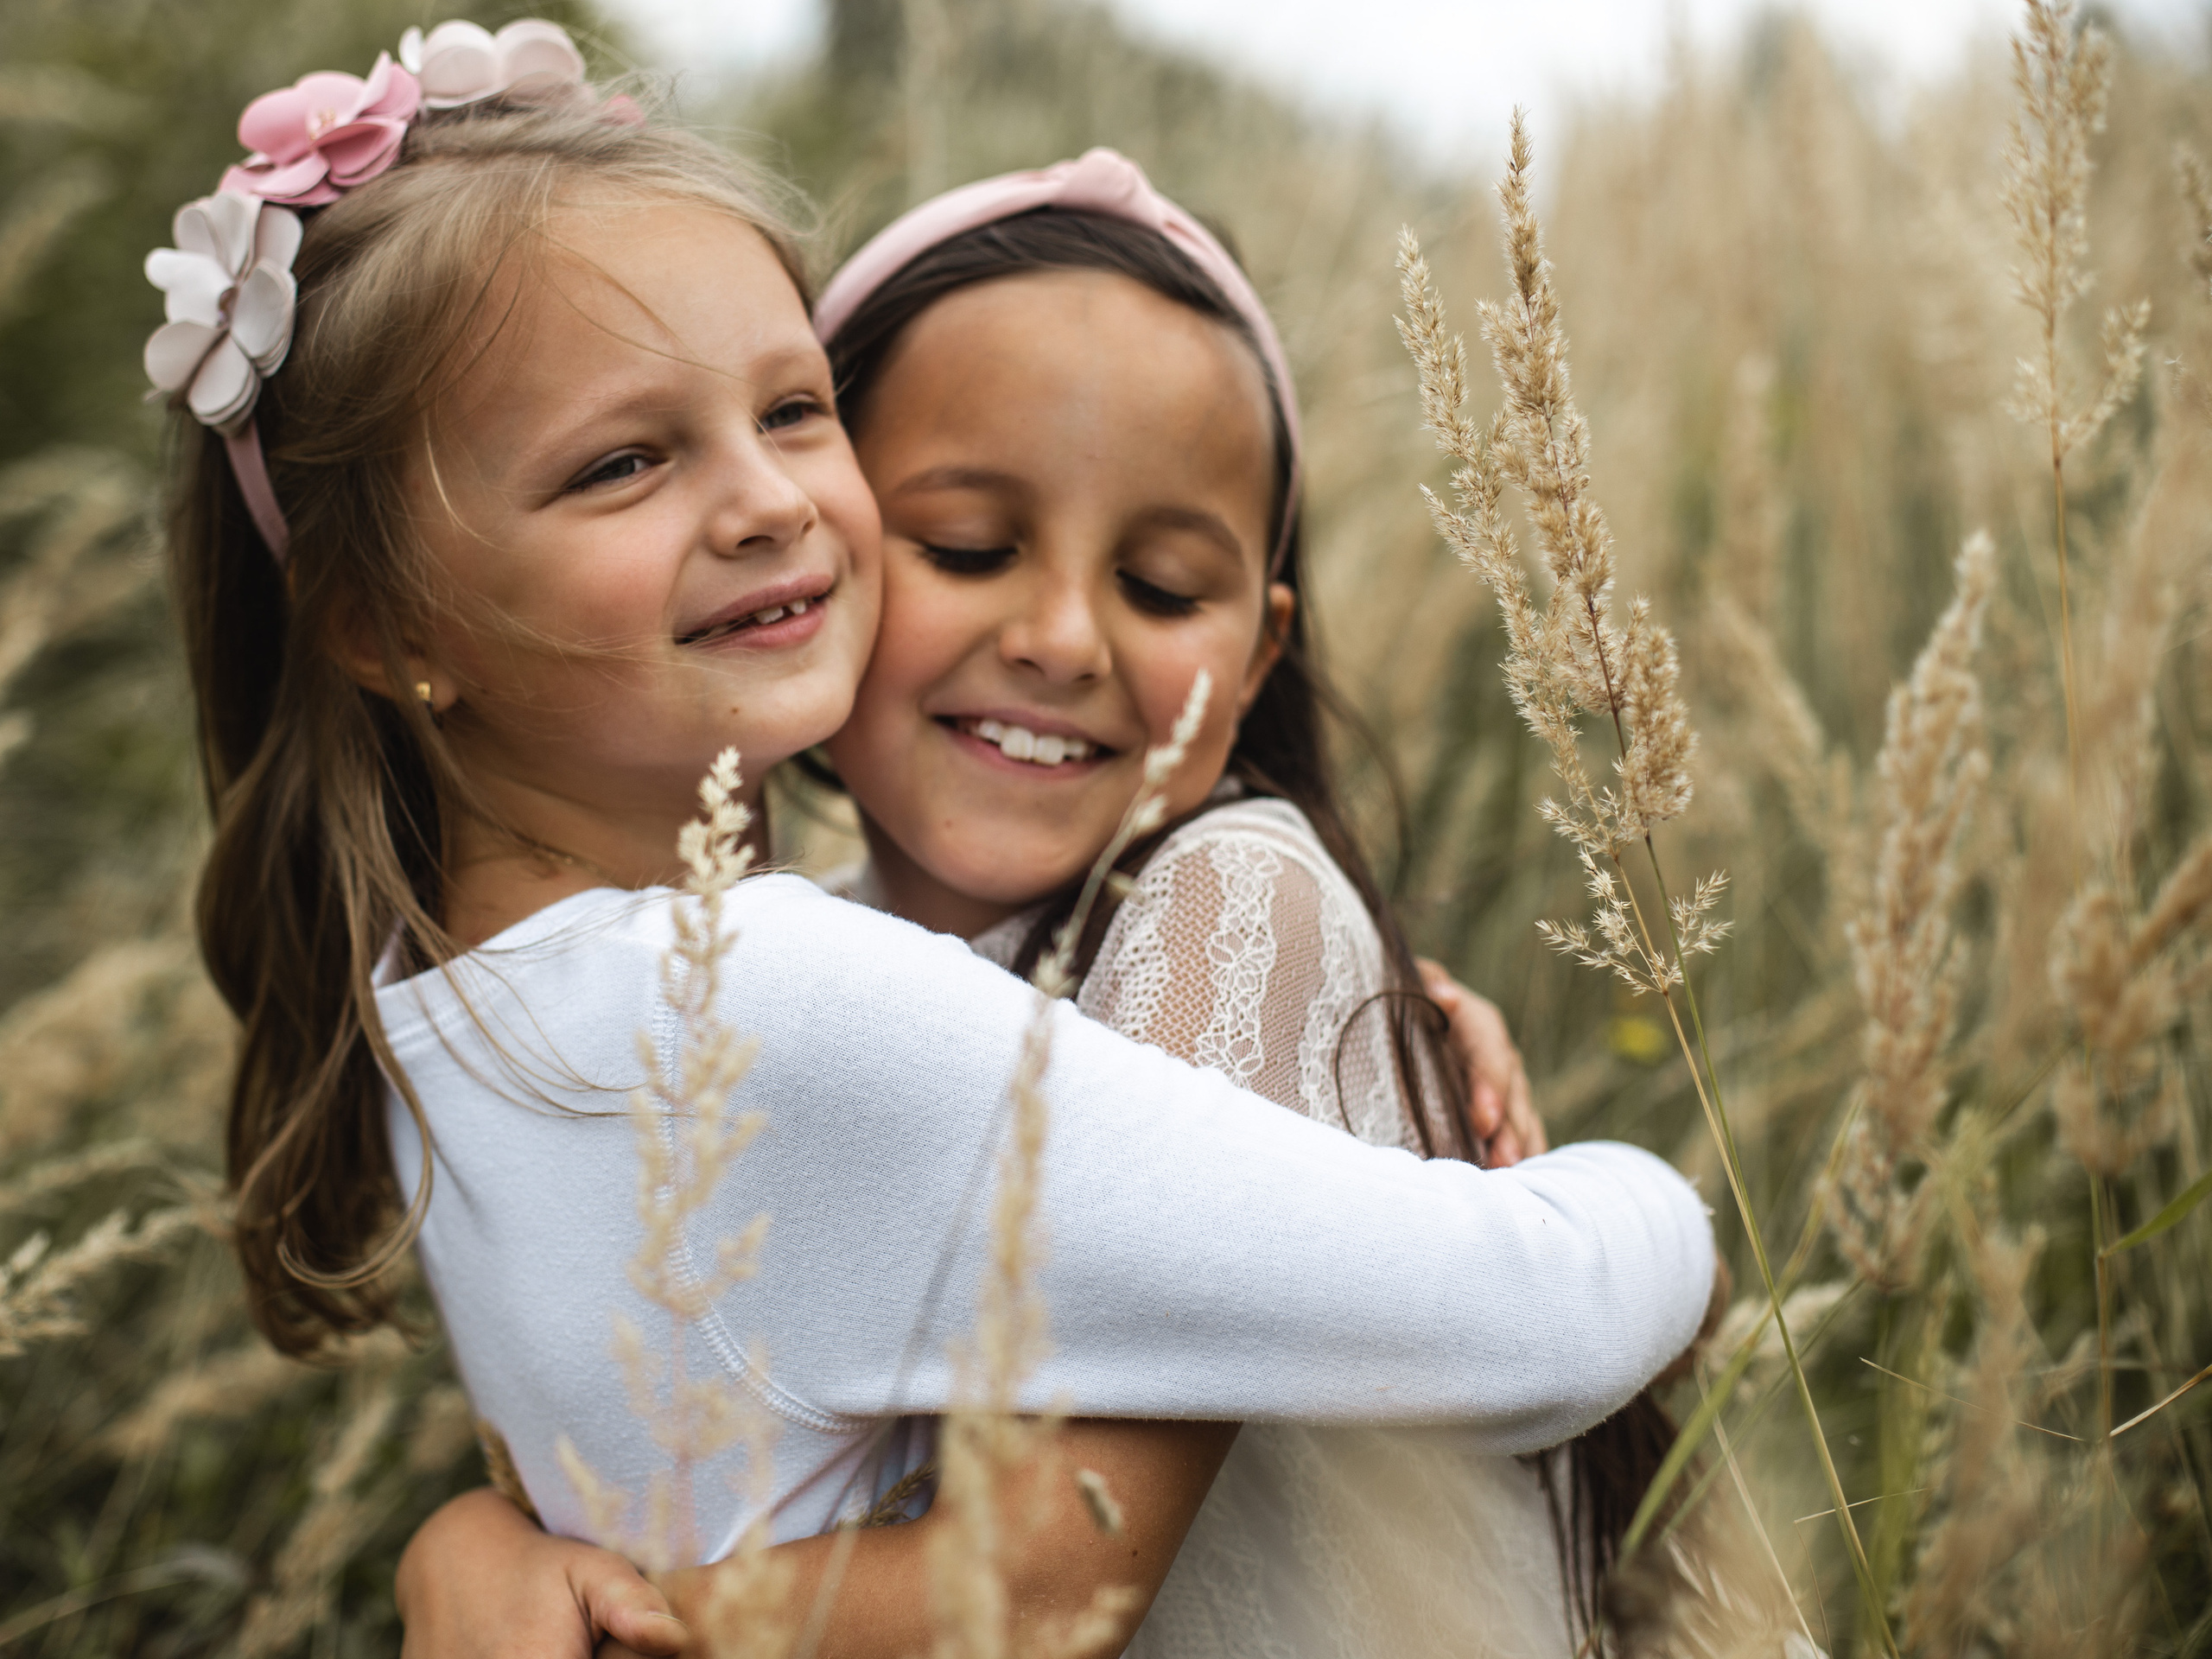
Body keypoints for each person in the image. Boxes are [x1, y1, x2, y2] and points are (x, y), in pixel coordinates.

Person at [148, 29, 1713, 1656]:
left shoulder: (444, 1010)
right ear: (386, 621)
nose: (766, 503)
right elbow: (1522, 1322)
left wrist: (470, 1539)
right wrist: (1657, 1204)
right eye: (624, 460)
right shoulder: (768, 1001)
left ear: (1261, 645)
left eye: (792, 410)